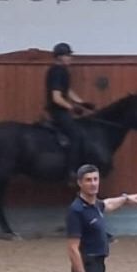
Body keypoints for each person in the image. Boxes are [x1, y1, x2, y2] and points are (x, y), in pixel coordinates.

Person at [45, 42, 94, 176]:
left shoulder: (63, 71)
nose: (70, 58)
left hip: (62, 110)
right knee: (76, 136)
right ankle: (71, 170)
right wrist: (72, 108)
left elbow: (67, 91)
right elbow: (57, 97)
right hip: (57, 112)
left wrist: (82, 103)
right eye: (68, 55)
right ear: (60, 57)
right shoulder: (56, 72)